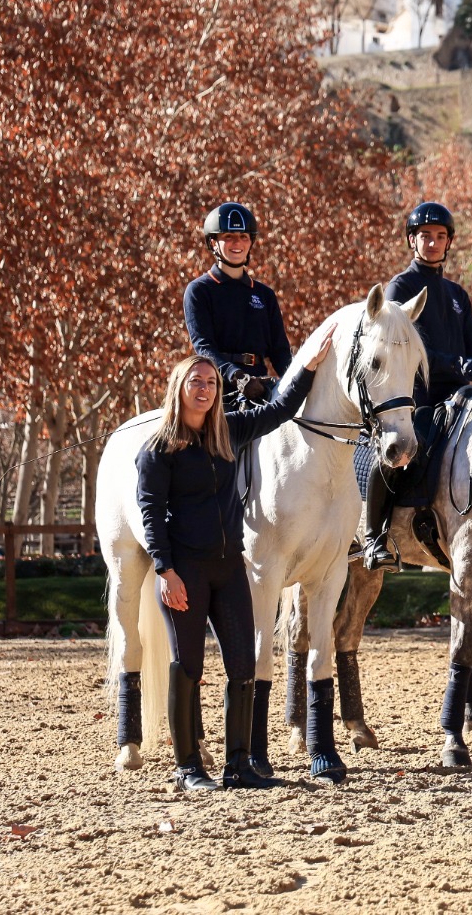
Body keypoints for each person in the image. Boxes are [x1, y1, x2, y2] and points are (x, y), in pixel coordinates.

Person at [138, 328, 334, 791]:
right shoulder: (159, 449)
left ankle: (239, 765)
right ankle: (188, 767)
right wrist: (165, 571)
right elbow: (150, 513)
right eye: (196, 381)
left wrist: (306, 367)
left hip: (229, 568)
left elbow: (281, 409)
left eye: (210, 382)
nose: (205, 388)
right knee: (188, 666)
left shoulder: (230, 432)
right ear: (179, 389)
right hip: (183, 571)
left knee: (244, 665)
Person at [363, 202, 472, 570]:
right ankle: (374, 536)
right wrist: (456, 363)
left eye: (440, 236)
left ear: (449, 242)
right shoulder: (400, 286)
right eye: (425, 236)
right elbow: (404, 348)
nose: (433, 243)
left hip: (462, 396)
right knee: (398, 453)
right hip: (418, 398)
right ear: (412, 241)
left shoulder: (457, 294)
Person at [183, 203, 292, 409]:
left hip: (261, 387)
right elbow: (204, 347)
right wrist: (237, 376)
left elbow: (280, 352)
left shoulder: (264, 295)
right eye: (229, 237)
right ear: (214, 242)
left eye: (243, 237)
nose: (237, 243)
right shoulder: (199, 290)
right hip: (220, 389)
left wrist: (299, 381)